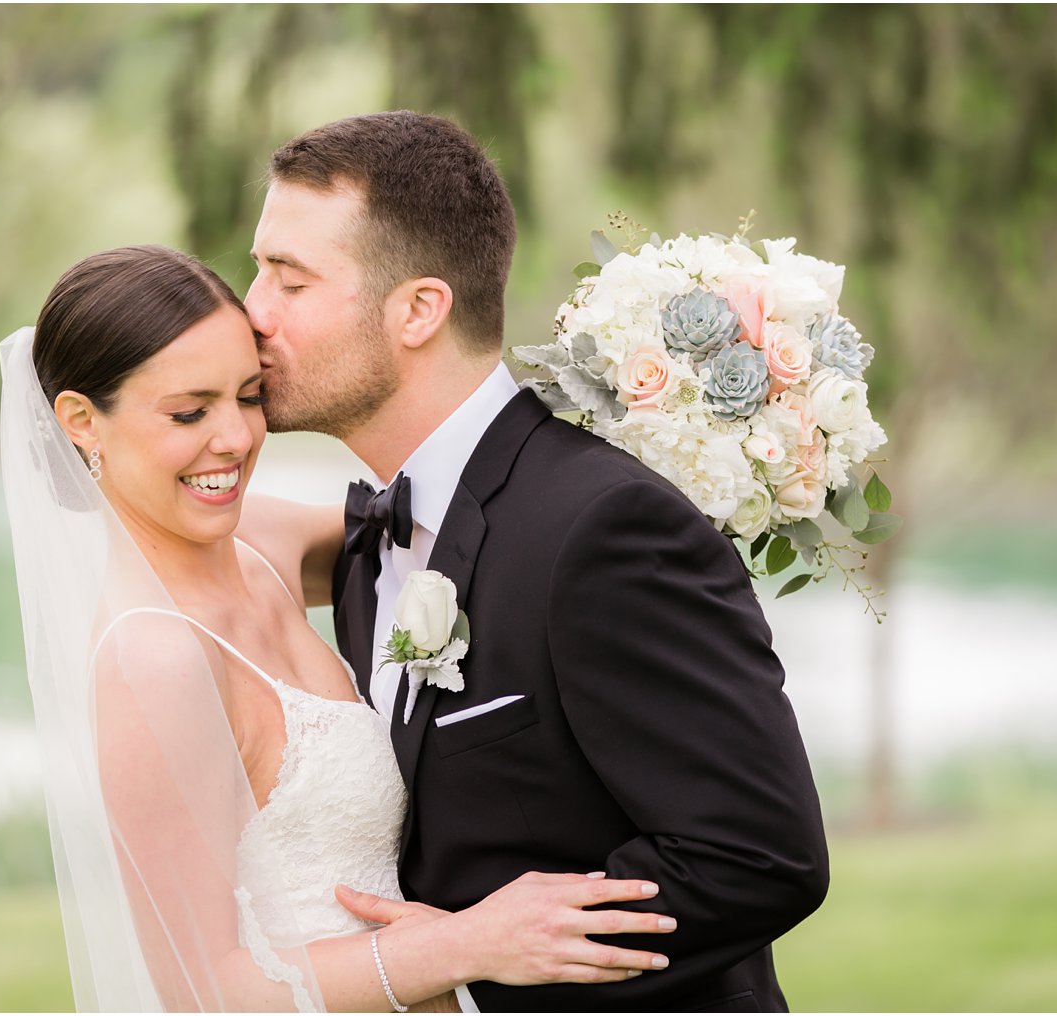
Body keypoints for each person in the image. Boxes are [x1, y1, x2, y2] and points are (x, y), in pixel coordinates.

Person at [241, 111, 829, 1012]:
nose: (252, 314)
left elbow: (756, 856)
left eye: (289, 281)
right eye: (258, 273)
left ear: (419, 311)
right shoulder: (372, 540)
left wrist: (472, 964)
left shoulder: (604, 528)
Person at [0, 245, 678, 1012]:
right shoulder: (153, 656)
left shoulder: (259, 542)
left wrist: (672, 448)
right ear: (82, 421)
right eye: (190, 412)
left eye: (249, 397)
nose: (235, 439)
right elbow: (207, 993)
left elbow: (476, 529)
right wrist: (469, 943)